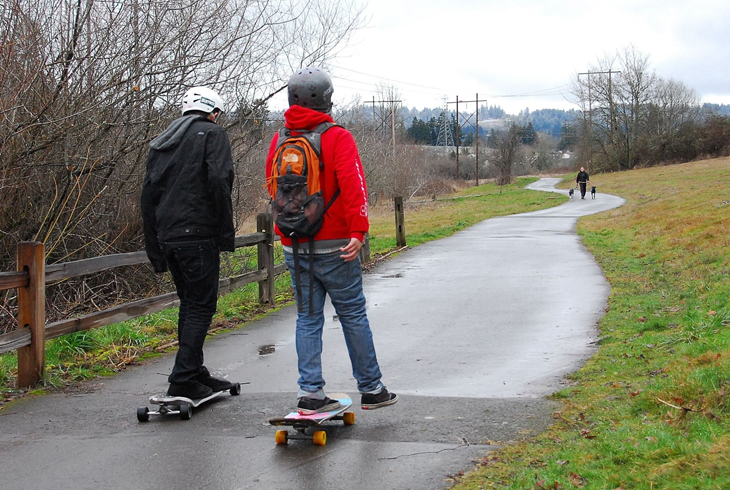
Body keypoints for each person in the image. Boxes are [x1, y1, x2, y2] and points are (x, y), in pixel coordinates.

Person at [266, 67, 398, 414]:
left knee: (308, 319)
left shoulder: (280, 138)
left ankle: (310, 392)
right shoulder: (337, 136)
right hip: (337, 245)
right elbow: (354, 185)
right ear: (326, 99)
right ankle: (372, 389)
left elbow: (271, 188)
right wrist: (358, 231)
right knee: (353, 314)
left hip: (295, 244)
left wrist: (287, 232)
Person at [141, 86, 236, 399]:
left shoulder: (162, 143)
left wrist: (154, 247)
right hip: (197, 234)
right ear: (213, 112)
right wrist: (224, 233)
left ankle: (195, 371)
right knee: (200, 306)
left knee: (190, 304)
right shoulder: (213, 134)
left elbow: (147, 197)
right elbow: (220, 181)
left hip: (168, 236)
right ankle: (182, 379)